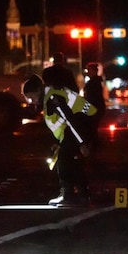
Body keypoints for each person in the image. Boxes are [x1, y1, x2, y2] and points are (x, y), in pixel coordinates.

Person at [21, 74, 97, 206]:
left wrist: (82, 143)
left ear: (38, 91)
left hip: (81, 126)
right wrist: (58, 142)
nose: (31, 101)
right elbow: (63, 123)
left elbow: (70, 119)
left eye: (30, 97)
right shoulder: (50, 95)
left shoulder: (53, 99)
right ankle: (83, 195)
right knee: (73, 161)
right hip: (82, 126)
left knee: (64, 160)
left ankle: (68, 195)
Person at [82, 62, 106, 151]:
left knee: (91, 127)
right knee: (93, 127)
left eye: (89, 70)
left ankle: (95, 146)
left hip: (94, 108)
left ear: (93, 71)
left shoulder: (93, 83)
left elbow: (90, 98)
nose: (87, 72)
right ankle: (95, 145)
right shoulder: (96, 82)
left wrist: (85, 109)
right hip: (97, 108)